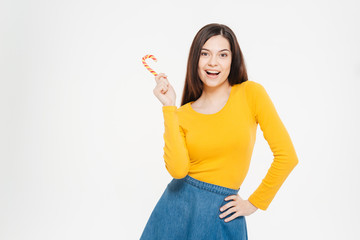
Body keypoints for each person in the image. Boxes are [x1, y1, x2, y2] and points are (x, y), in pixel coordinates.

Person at [140, 23, 299, 240]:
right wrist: (169, 107)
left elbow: (287, 157)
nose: (213, 62)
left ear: (233, 60)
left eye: (223, 55)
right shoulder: (182, 114)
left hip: (222, 213)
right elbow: (178, 171)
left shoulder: (251, 94)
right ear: (195, 59)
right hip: (175, 210)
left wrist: (254, 202)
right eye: (205, 53)